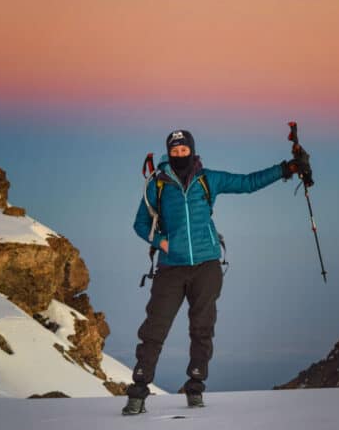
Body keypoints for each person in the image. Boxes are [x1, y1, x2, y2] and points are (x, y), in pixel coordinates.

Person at [122, 129, 313, 415]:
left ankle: (195, 387)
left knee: (202, 329)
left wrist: (286, 169)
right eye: (174, 152)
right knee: (153, 331)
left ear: (192, 151)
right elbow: (139, 223)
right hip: (170, 268)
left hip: (206, 267)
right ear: (168, 153)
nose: (179, 155)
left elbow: (247, 183)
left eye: (183, 151)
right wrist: (158, 241)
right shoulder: (157, 185)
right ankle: (137, 392)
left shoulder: (207, 179)